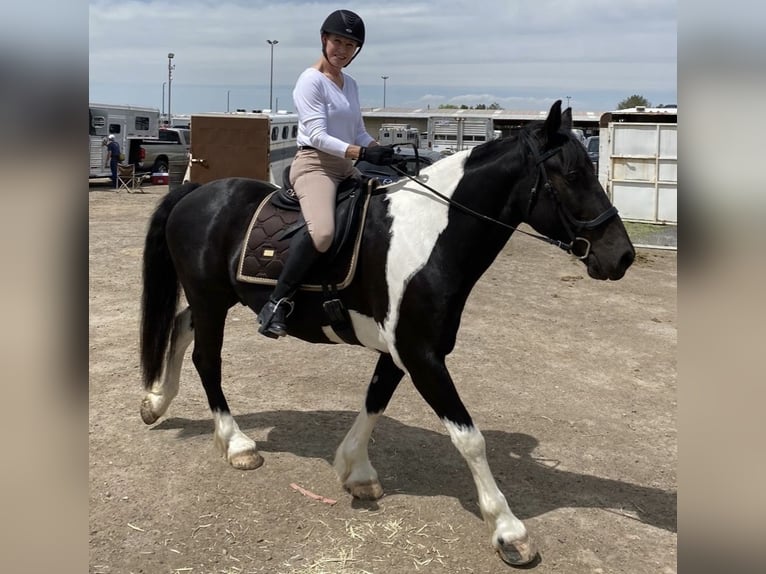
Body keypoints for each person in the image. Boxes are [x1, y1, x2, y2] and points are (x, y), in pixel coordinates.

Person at [258, 9, 396, 338]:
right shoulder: (310, 81)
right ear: (324, 40)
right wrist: (360, 152)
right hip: (315, 165)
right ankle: (277, 302)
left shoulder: (350, 84)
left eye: (350, 45)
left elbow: (358, 132)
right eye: (338, 41)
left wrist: (379, 149)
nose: (343, 50)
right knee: (322, 232)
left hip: (346, 167)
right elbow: (318, 135)